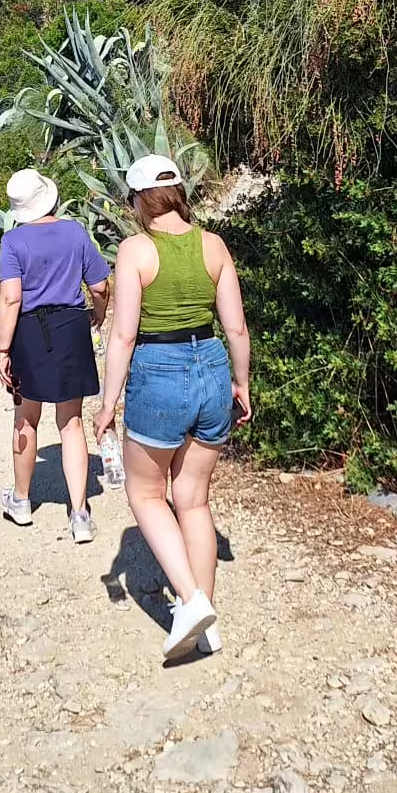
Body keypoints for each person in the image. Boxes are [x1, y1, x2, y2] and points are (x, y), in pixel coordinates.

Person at [94, 153, 252, 661]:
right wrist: (241, 383)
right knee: (194, 500)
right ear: (180, 193)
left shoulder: (135, 250)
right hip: (210, 366)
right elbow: (237, 328)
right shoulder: (214, 246)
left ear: (140, 199)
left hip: (158, 369)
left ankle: (189, 601)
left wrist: (107, 402)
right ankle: (204, 619)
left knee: (145, 494)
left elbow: (123, 335)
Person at [0, 169, 112, 542]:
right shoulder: (75, 231)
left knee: (26, 418)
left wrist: (3, 349)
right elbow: (100, 285)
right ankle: (79, 514)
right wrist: (98, 313)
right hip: (71, 327)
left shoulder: (13, 241)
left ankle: (22, 500)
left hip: (30, 331)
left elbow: (12, 297)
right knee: (71, 422)